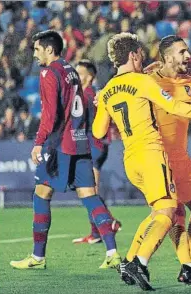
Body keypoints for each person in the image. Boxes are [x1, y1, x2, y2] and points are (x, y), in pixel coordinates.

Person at [92, 32, 191, 290]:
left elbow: (98, 132)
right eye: (141, 56)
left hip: (130, 159)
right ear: (133, 56)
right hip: (152, 154)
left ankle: (137, 262)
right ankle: (138, 262)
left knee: (162, 211)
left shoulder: (108, 89)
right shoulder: (144, 82)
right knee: (167, 212)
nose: (144, 61)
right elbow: (179, 107)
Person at [10, 30, 121, 270]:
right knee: (89, 195)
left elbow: (50, 115)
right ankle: (112, 252)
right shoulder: (71, 70)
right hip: (80, 142)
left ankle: (37, 257)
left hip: (59, 144)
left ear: (50, 49)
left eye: (38, 49)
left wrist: (39, 142)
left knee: (41, 195)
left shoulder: (49, 72)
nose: (35, 54)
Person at [72, 59, 122, 245]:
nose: (75, 76)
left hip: (94, 146)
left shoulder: (87, 95)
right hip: (94, 146)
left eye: (79, 73)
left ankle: (108, 225)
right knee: (87, 191)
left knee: (88, 191)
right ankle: (97, 232)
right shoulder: (88, 94)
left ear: (89, 76)